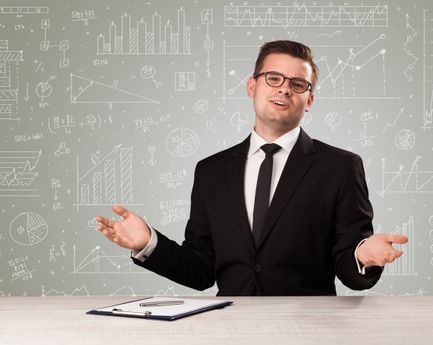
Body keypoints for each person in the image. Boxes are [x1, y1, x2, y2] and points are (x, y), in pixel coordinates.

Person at [96, 40, 408, 296]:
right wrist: (148, 242)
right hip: (229, 327)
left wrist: (363, 256)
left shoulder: (340, 167)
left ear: (309, 100)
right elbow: (202, 270)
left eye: (298, 84)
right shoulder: (211, 171)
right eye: (274, 78)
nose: (284, 89)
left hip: (309, 329)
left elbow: (348, 267)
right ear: (251, 86)